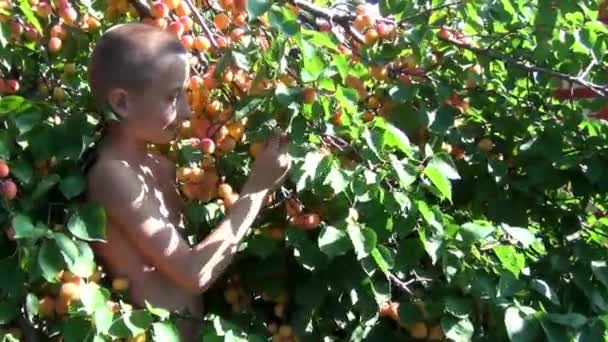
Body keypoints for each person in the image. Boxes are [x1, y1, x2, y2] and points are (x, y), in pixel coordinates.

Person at [85, 23, 291, 341]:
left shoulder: (161, 166)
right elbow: (194, 273)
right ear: (122, 103)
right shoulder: (111, 175)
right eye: (172, 97)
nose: (186, 109)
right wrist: (257, 189)